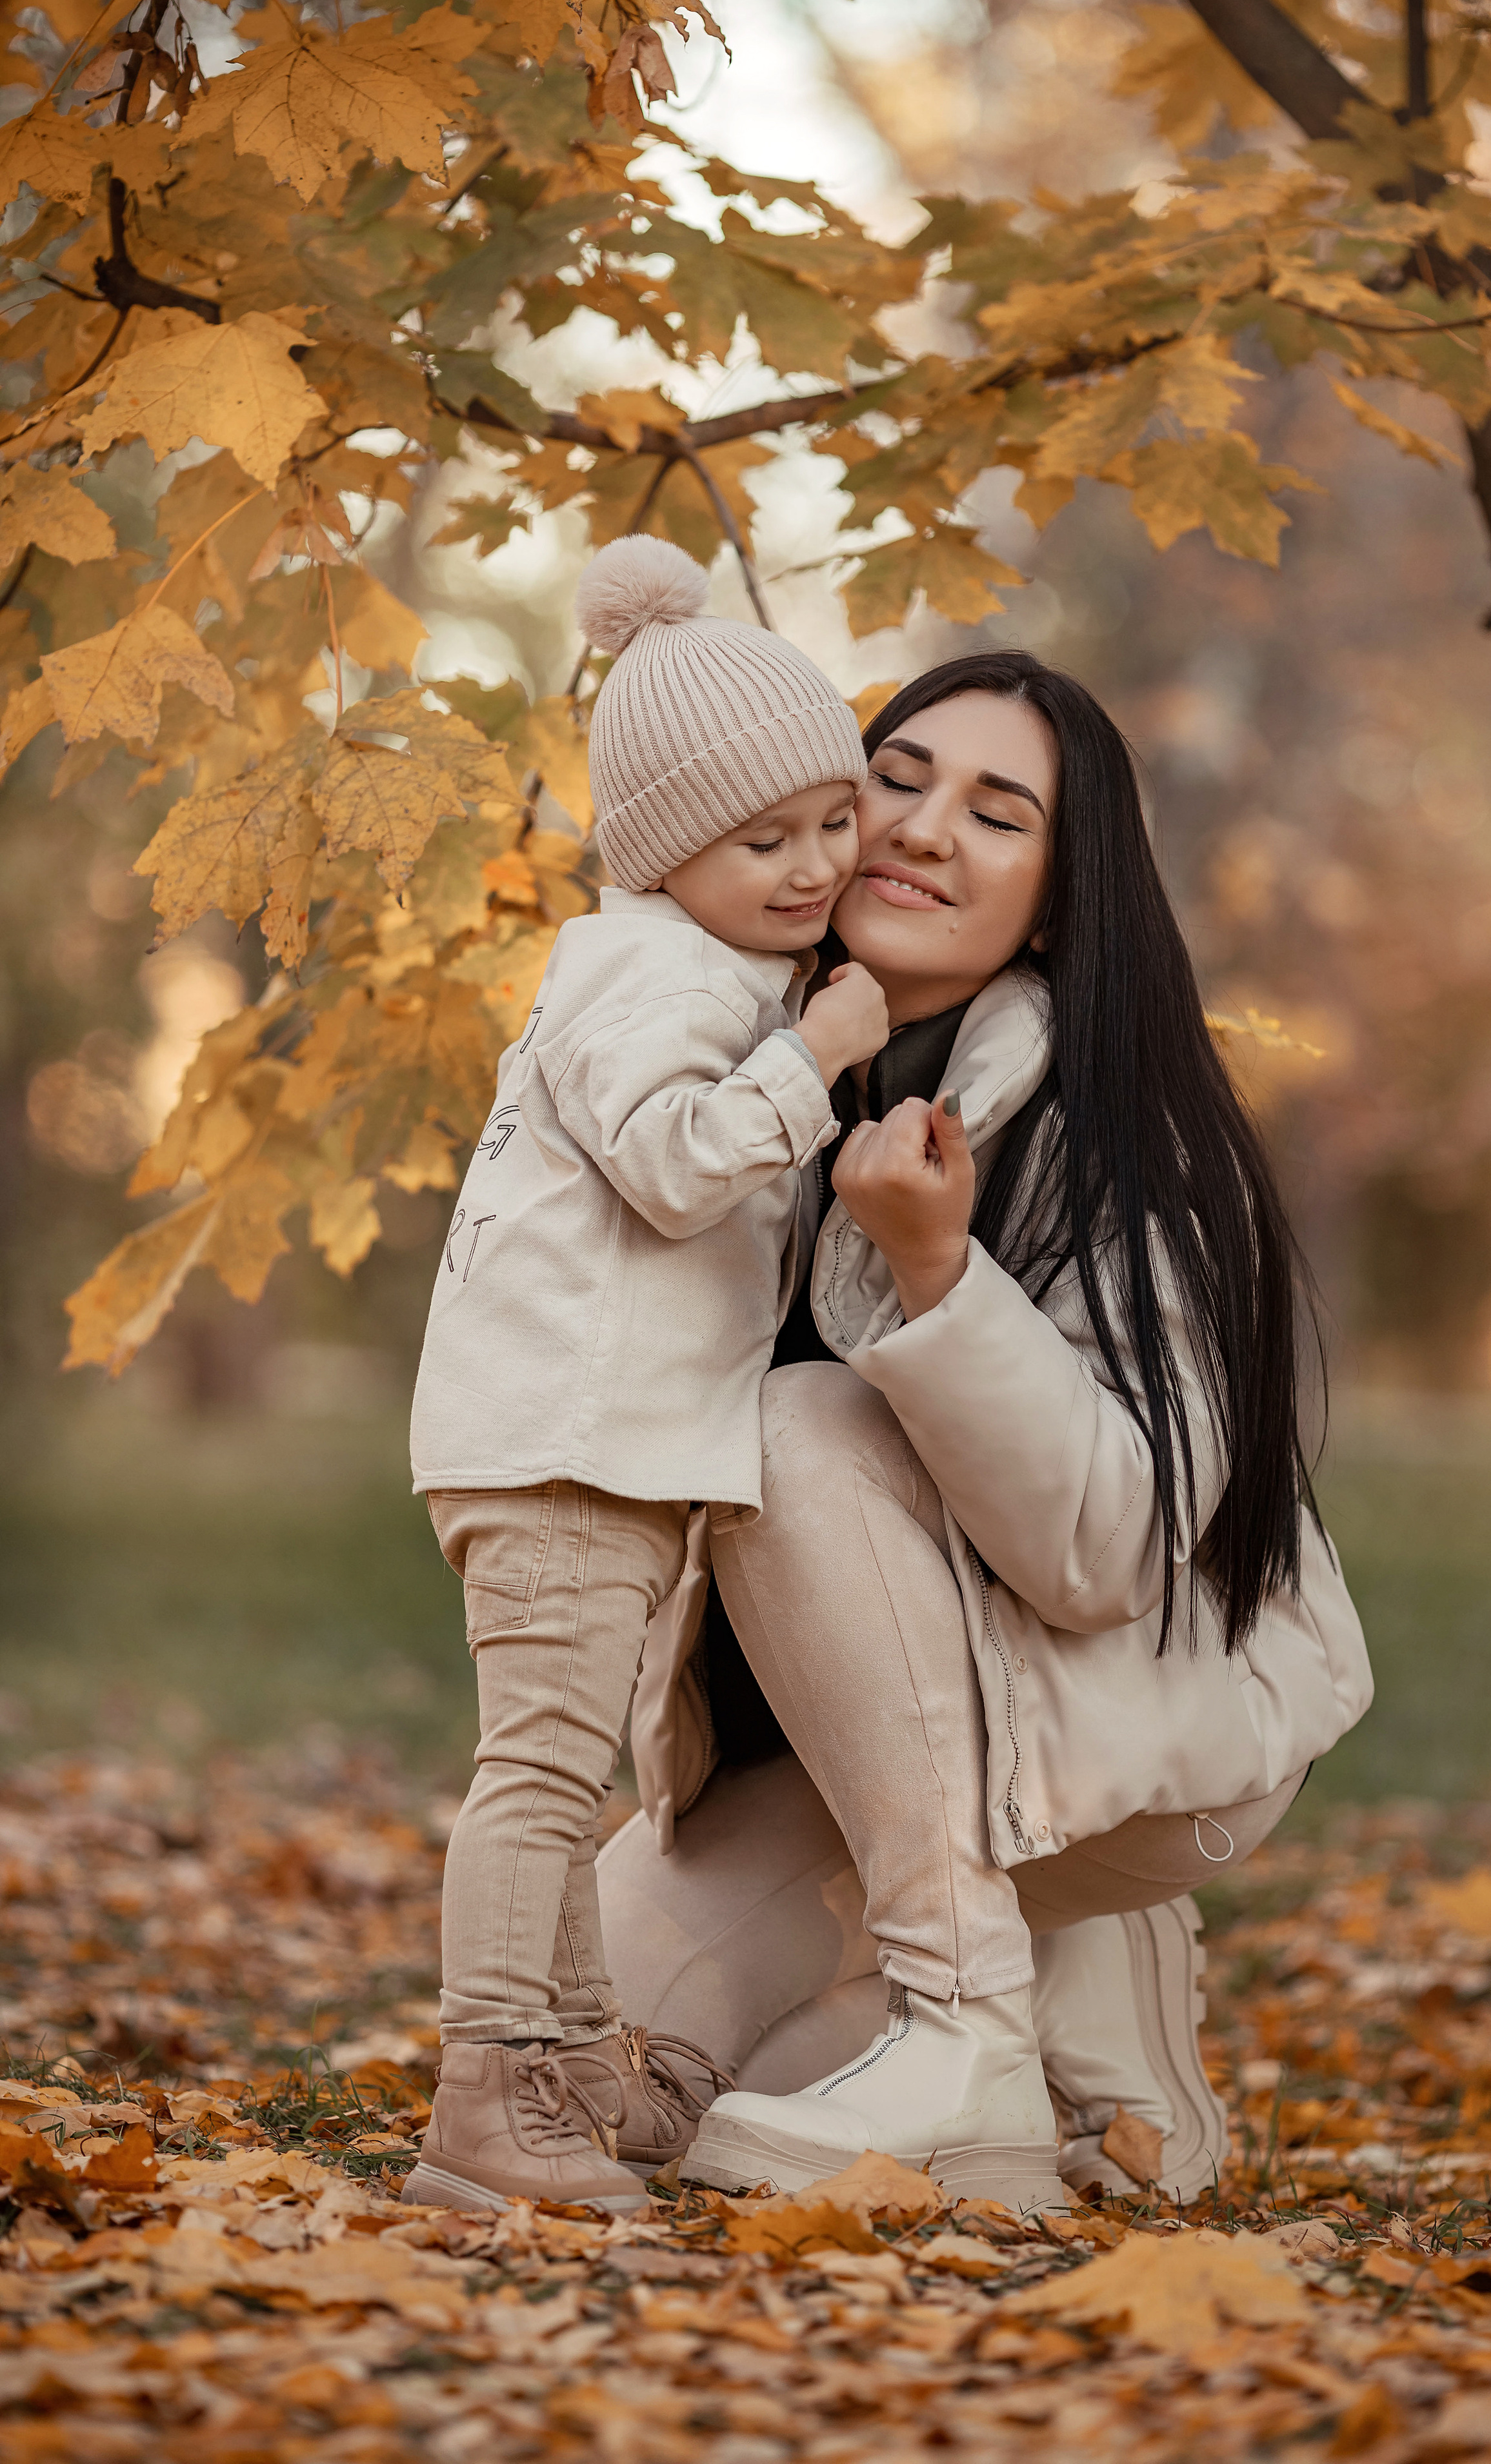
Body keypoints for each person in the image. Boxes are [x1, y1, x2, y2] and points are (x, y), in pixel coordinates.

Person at [597, 653, 1373, 2215]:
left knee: (801, 1426)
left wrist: (940, 1274)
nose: (923, 828)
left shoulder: (1131, 1143)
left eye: (996, 814)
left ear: (1056, 902)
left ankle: (970, 2026)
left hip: (1126, 1731)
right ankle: (1082, 2001)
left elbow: (1110, 1554)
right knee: (610, 2077)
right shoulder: (731, 1079)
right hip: (867, 1743)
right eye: (894, 779)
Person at [403, 536, 889, 2216]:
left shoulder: (705, 965)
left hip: (591, 1439)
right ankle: (487, 2095)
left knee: (568, 1768)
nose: (815, 864)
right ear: (665, 851)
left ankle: (576, 2064)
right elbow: (675, 1167)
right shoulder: (648, 974)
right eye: (765, 840)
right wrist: (816, 1060)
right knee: (539, 1774)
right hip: (559, 1439)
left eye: (834, 819)